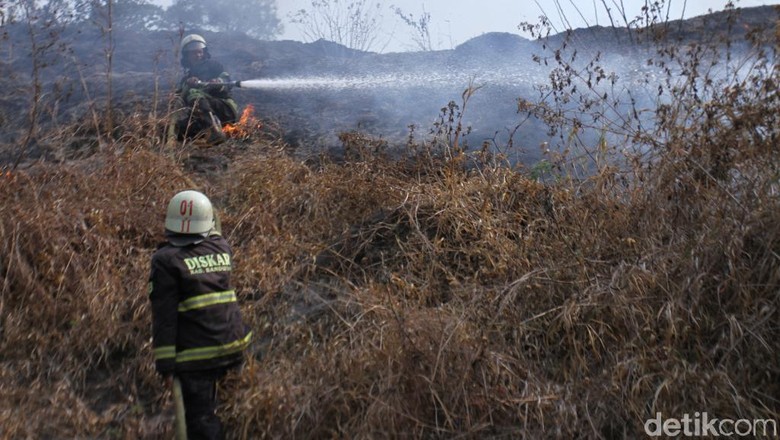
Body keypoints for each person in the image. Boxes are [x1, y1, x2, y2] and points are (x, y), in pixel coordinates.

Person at [148, 190, 252, 439]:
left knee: (201, 420)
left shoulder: (164, 261)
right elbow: (213, 232)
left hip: (197, 357)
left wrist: (165, 366)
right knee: (232, 412)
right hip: (235, 346)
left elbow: (164, 318)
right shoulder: (222, 247)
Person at [175, 34, 239, 144]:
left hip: (224, 109)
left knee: (193, 93)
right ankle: (209, 130)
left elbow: (227, 80)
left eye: (200, 52)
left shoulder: (214, 66)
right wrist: (188, 83)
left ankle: (214, 131)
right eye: (194, 52)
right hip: (201, 118)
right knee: (177, 130)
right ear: (187, 56)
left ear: (204, 52)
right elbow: (180, 97)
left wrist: (218, 81)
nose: (198, 55)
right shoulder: (186, 78)